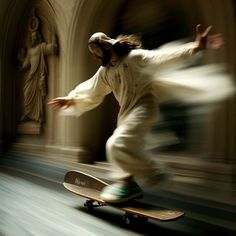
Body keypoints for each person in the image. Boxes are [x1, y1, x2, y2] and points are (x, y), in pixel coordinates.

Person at [48, 25, 224, 203]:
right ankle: (126, 183)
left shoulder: (135, 58)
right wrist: (72, 98)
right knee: (124, 147)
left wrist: (195, 47)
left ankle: (153, 173)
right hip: (126, 112)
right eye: (93, 52)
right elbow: (92, 88)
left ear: (106, 46)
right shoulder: (106, 72)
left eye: (96, 50)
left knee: (116, 144)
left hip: (143, 108)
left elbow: (163, 57)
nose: (96, 55)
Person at [19, 31, 58, 123]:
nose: (34, 39)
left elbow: (51, 48)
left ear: (38, 38)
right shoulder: (30, 51)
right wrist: (21, 67)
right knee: (27, 93)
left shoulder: (41, 47)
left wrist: (53, 40)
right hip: (31, 76)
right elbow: (26, 63)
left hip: (38, 75)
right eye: (32, 37)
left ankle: (38, 116)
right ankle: (28, 113)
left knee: (39, 96)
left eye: (35, 37)